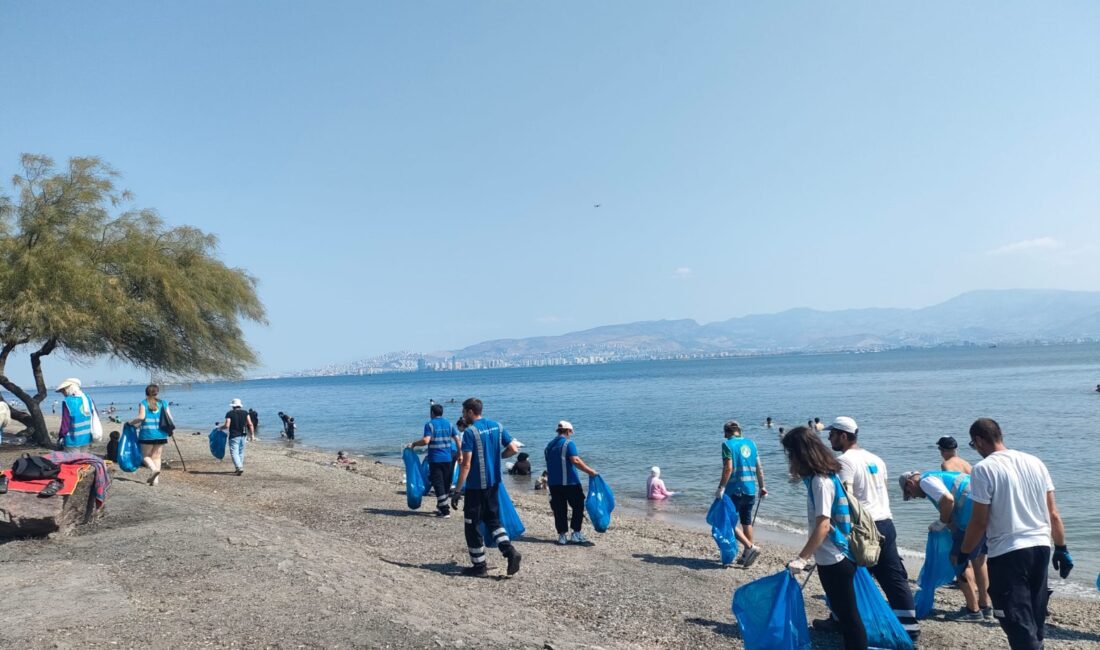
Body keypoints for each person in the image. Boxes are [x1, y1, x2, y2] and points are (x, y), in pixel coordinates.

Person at [959, 418, 1071, 650]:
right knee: (1034, 614)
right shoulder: (1035, 462)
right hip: (1040, 547)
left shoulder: (984, 469)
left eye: (973, 444)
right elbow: (1053, 513)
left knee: (1014, 618)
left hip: (1008, 552)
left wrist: (964, 552)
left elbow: (979, 521)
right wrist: (1061, 548)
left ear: (979, 440)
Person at [826, 416, 919, 640]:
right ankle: (910, 628)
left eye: (832, 434)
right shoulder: (876, 458)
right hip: (885, 522)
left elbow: (845, 499)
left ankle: (841, 621)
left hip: (863, 527)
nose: (829, 438)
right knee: (893, 578)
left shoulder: (845, 461)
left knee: (845, 576)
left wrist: (836, 529)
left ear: (843, 436)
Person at [781, 426, 866, 650]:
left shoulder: (821, 482)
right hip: (831, 558)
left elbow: (824, 525)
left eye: (790, 453)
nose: (789, 459)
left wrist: (802, 559)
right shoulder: (820, 479)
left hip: (836, 559)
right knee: (844, 614)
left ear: (801, 453)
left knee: (849, 619)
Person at [899, 469, 990, 620]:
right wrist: (948, 524)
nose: (914, 497)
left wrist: (941, 522)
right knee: (979, 559)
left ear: (910, 483)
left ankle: (973, 610)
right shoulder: (940, 477)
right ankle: (985, 605)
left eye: (909, 493)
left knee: (957, 559)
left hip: (969, 518)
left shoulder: (926, 481)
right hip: (983, 513)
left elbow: (948, 500)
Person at [452, 397, 522, 577]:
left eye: (463, 412)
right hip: (494, 483)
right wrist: (497, 457)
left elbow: (466, 464)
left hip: (476, 486)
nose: (462, 416)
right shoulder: (497, 426)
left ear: (469, 412)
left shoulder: (470, 433)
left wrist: (457, 490)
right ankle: (510, 551)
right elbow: (514, 449)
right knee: (493, 520)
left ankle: (479, 566)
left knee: (472, 524)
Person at [715, 420, 766, 567]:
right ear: (740, 431)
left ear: (726, 432)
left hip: (734, 490)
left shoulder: (727, 445)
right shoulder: (752, 444)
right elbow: (759, 468)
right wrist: (762, 487)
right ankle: (746, 556)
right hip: (750, 489)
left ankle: (750, 547)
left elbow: (728, 468)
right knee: (746, 521)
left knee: (728, 521)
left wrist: (721, 488)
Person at [544, 420, 599, 545]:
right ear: (568, 431)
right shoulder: (569, 444)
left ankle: (562, 536)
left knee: (559, 509)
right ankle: (576, 533)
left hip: (554, 484)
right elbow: (575, 460)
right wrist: (590, 472)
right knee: (578, 506)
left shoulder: (549, 446)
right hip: (570, 483)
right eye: (571, 432)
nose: (571, 434)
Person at [406, 403, 460, 517]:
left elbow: (426, 441)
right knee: (446, 483)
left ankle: (445, 510)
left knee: (438, 483)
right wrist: (460, 453)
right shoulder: (449, 424)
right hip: (448, 458)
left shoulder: (429, 425)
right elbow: (457, 439)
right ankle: (441, 507)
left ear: (432, 413)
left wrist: (414, 444)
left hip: (436, 459)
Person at [130, 384, 174, 486]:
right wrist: (170, 430)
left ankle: (153, 470)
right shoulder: (163, 403)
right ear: (157, 392)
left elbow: (141, 417)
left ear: (146, 392)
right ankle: (155, 481)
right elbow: (170, 419)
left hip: (147, 434)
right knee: (157, 457)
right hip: (161, 434)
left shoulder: (143, 403)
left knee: (144, 456)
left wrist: (130, 423)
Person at [56, 378, 103, 452]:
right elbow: (95, 415)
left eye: (63, 391)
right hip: (86, 437)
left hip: (72, 439)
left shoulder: (67, 401)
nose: (63, 393)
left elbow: (65, 422)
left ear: (69, 388)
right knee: (83, 460)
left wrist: (61, 436)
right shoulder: (88, 398)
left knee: (73, 461)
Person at [222, 398, 254, 475]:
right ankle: (239, 467)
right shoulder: (245, 413)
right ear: (240, 405)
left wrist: (220, 428)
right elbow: (250, 424)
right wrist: (252, 435)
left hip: (234, 435)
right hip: (243, 435)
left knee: (234, 452)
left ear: (233, 406)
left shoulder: (229, 413)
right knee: (241, 452)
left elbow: (227, 425)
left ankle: (239, 467)